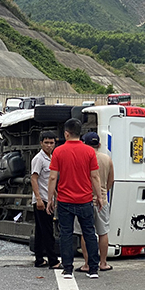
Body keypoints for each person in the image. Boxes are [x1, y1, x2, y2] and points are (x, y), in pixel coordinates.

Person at [47, 119, 104, 280]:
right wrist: (98, 196)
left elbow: (52, 177)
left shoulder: (58, 152)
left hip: (65, 200)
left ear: (66, 133)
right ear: (80, 133)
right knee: (89, 233)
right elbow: (95, 176)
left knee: (66, 234)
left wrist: (50, 199)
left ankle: (68, 269)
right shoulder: (89, 152)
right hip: (85, 199)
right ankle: (93, 269)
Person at [74, 132, 114, 272]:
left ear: (84, 143)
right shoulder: (107, 159)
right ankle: (103, 263)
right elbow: (111, 180)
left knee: (85, 232)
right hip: (102, 200)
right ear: (99, 144)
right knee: (103, 233)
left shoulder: (81, 158)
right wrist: (103, 193)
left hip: (84, 200)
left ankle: (87, 264)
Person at [31, 131, 61, 269]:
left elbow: (50, 180)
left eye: (52, 143)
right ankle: (53, 260)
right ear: (41, 143)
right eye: (46, 143)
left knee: (41, 230)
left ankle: (39, 258)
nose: (49, 145)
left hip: (48, 197)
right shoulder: (39, 159)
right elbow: (34, 178)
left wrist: (55, 195)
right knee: (48, 230)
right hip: (42, 199)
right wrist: (38, 199)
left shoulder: (52, 157)